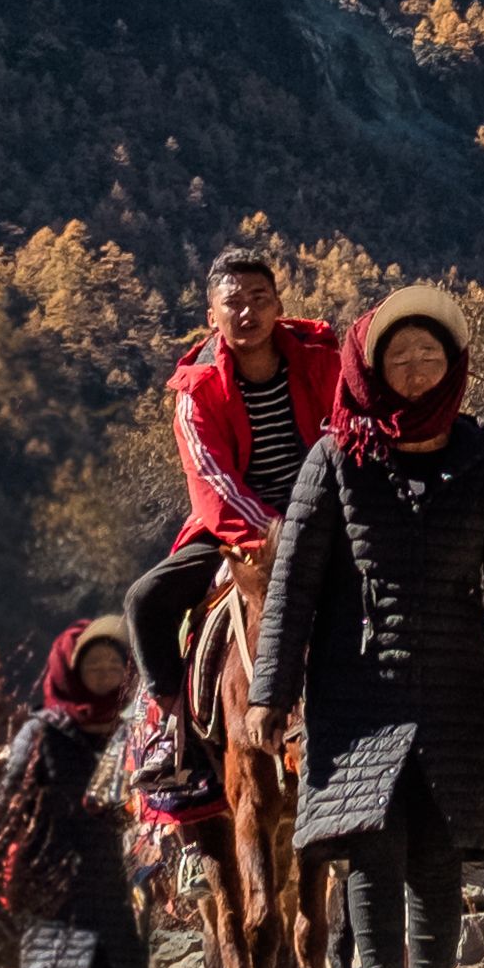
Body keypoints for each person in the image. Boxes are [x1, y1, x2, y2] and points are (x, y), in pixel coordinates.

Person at [256, 283, 484, 968]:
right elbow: (293, 586)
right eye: (400, 357)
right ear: (372, 369)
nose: (417, 369)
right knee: (373, 842)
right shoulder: (335, 461)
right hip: (359, 690)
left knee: (440, 846)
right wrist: (271, 691)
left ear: (453, 364)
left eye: (430, 354)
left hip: (456, 688)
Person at [124, 251, 347, 723]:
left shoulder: (323, 363)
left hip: (330, 514)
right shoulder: (198, 391)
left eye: (259, 299)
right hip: (237, 529)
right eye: (233, 303)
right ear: (212, 316)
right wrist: (279, 535)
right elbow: (213, 483)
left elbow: (351, 436)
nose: (248, 312)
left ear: (278, 306)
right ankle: (171, 725)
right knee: (145, 600)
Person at [0, 616, 150, 968]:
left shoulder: (131, 732)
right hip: (59, 896)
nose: (105, 673)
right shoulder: (42, 733)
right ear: (72, 671)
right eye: (94, 665)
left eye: (114, 664)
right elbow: (7, 804)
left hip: (113, 895)